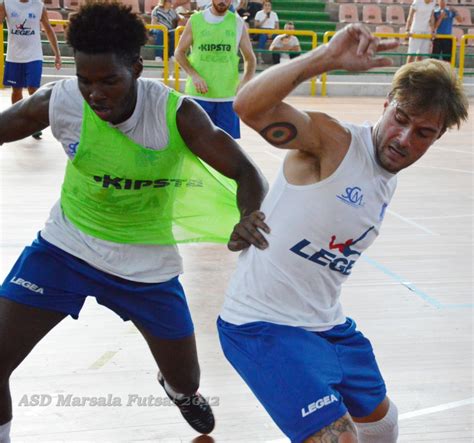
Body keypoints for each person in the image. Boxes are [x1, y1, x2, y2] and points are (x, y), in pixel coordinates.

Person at [0, 3, 269, 442]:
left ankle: (177, 391)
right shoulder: (61, 100)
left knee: (188, 380)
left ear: (137, 70)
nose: (96, 94)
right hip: (66, 247)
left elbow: (245, 171)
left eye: (110, 81)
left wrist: (248, 214)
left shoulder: (176, 114)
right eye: (86, 80)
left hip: (146, 263)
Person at [217, 23, 468, 442]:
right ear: (386, 105)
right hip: (262, 326)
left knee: (383, 425)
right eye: (400, 119)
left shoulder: (388, 174)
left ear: (437, 136)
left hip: (328, 325)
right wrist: (325, 59)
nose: (404, 138)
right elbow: (249, 107)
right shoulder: (335, 142)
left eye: (423, 133)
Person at [175, 0, 256, 139]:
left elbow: (251, 58)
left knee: (227, 146)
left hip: (227, 96)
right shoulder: (196, 20)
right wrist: (194, 75)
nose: (222, 1)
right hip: (199, 95)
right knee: (196, 144)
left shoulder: (237, 22)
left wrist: (245, 83)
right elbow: (179, 53)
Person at [0, 0, 61, 139]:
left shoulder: (39, 5)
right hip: (14, 57)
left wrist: (57, 54)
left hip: (34, 56)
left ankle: (34, 126)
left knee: (34, 89)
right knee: (16, 91)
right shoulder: (6, 4)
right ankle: (16, 122)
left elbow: (49, 29)